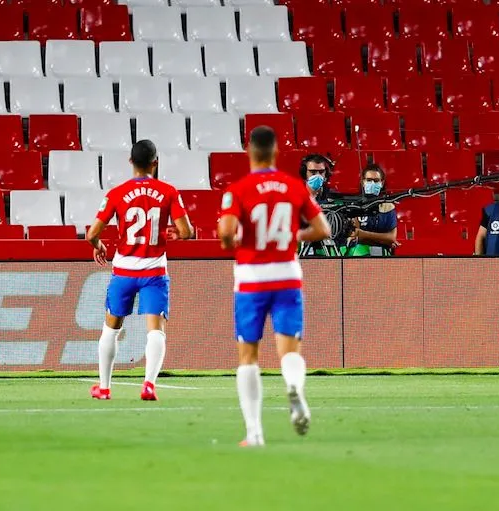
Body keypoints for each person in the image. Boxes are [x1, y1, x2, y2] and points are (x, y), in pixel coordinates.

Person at [219, 126, 331, 447]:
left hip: (252, 278)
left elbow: (226, 234)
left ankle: (254, 432)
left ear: (249, 151)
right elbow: (322, 229)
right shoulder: (294, 187)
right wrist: (292, 236)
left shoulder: (238, 189)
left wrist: (238, 242)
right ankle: (294, 386)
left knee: (248, 355)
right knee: (289, 350)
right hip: (286, 276)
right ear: (276, 152)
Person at [86, 139, 195, 402]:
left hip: (124, 270)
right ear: (155, 162)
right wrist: (176, 234)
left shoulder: (117, 193)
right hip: (154, 271)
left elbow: (92, 233)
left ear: (130, 161)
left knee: (111, 328)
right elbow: (187, 231)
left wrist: (98, 245)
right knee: (155, 330)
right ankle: (148, 385)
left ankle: (104, 388)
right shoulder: (168, 192)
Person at [345, 164, 397, 257]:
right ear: (363, 181)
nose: (372, 183)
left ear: (382, 182)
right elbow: (353, 235)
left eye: (376, 181)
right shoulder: (353, 204)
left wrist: (362, 234)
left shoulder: (388, 206)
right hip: (357, 253)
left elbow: (392, 238)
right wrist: (382, 240)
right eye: (369, 180)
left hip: (381, 255)